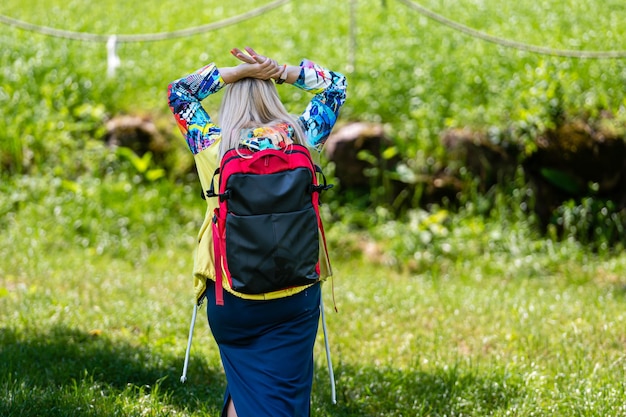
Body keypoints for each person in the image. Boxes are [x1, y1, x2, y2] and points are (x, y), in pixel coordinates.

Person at [167, 47, 347, 417]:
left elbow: (179, 92)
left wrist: (233, 73)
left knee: (246, 387)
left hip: (231, 296)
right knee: (279, 399)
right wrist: (279, 70)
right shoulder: (304, 136)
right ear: (273, 92)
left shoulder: (215, 145)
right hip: (296, 294)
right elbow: (335, 87)